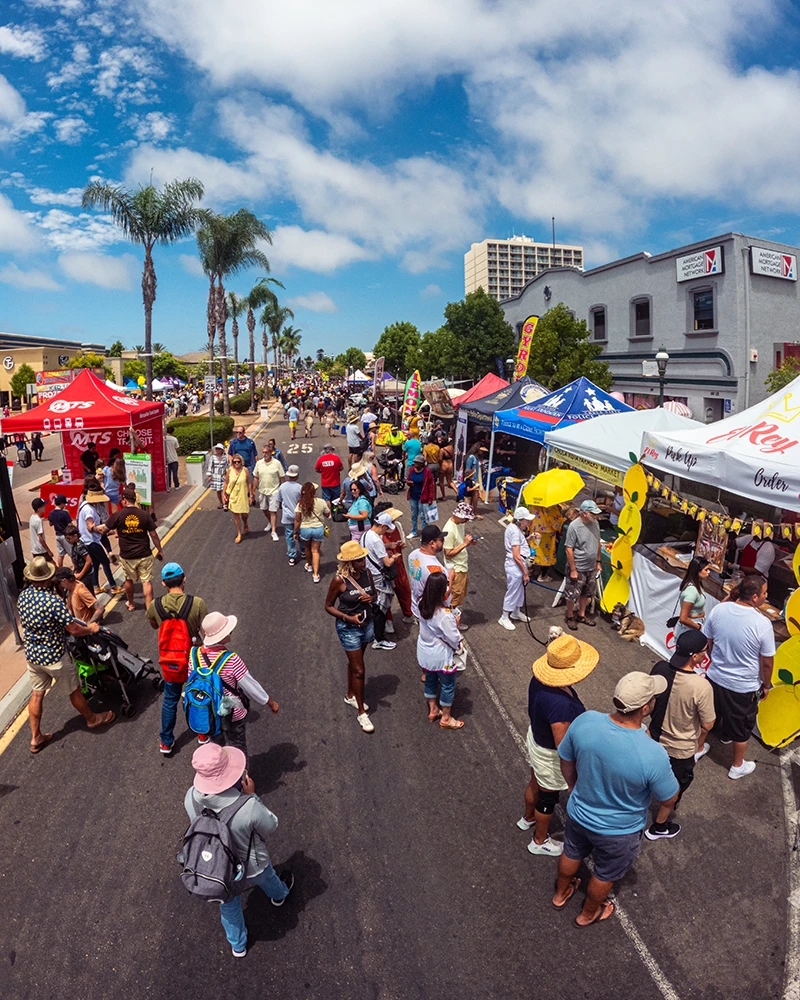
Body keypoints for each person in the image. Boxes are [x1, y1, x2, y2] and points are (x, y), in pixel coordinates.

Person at [553, 672, 679, 926]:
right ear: (645, 708)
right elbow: (669, 797)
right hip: (618, 830)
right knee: (604, 873)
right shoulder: (652, 753)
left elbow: (565, 757)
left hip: (579, 812)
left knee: (571, 851)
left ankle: (560, 893)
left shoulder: (585, 720)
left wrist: (572, 786)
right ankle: (588, 913)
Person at [184, 743, 294, 957]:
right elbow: (271, 825)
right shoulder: (247, 806)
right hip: (252, 864)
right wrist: (252, 796)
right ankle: (279, 895)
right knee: (268, 877)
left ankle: (238, 944)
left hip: (220, 870)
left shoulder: (190, 797)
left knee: (229, 906)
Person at [18, 556, 115, 754]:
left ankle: (36, 737)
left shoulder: (23, 596)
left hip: (33, 655)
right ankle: (92, 719)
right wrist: (91, 628)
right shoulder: (52, 601)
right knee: (74, 690)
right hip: (54, 656)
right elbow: (74, 629)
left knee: (37, 694)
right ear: (48, 578)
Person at [518, 634, 596, 857]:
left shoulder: (539, 680)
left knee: (535, 781)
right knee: (548, 798)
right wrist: (572, 780)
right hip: (550, 753)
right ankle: (539, 840)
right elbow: (563, 747)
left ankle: (528, 818)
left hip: (536, 738)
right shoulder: (560, 704)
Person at [703, 573, 775, 779]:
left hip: (715, 677)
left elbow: (709, 641)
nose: (766, 596)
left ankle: (698, 747)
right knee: (742, 727)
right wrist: (766, 684)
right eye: (764, 593)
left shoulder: (719, 609)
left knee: (708, 715)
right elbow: (767, 662)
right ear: (754, 597)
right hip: (742, 686)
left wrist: (716, 660)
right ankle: (737, 765)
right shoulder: (762, 624)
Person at [646, 629, 715, 839]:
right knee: (673, 790)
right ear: (695, 656)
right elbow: (708, 724)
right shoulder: (701, 686)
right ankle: (659, 827)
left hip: (653, 738)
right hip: (680, 749)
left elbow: (648, 702)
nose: (706, 653)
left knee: (647, 778)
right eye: (705, 650)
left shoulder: (659, 668)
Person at [192, 611, 278, 754]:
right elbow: (251, 687)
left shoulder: (194, 655)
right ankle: (241, 775)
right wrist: (270, 702)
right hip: (232, 713)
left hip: (208, 712)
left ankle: (221, 772)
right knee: (237, 748)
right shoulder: (231, 659)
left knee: (217, 748)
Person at [146, 561, 209, 755]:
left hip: (170, 660)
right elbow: (206, 632)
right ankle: (201, 734)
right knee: (198, 695)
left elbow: (154, 625)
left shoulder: (155, 605)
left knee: (170, 699)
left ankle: (166, 741)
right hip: (193, 659)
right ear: (184, 580)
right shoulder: (197, 603)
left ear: (163, 583)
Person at [324, 540, 377, 733]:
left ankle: (350, 695)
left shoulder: (367, 573)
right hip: (348, 628)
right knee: (360, 670)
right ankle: (362, 713)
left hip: (367, 624)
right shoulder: (339, 581)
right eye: (359, 560)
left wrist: (371, 598)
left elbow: (375, 595)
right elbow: (328, 606)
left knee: (356, 664)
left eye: (363, 558)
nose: (363, 562)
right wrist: (349, 617)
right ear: (349, 563)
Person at [105, 485, 164, 611]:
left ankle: (131, 604)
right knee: (146, 581)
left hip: (127, 555)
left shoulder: (118, 515)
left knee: (128, 580)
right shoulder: (144, 514)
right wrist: (160, 550)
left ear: (125, 500)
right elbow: (153, 534)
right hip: (144, 553)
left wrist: (93, 528)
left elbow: (105, 529)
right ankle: (149, 608)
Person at [417, 572, 464, 729]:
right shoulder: (444, 615)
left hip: (425, 651)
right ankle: (446, 717)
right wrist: (456, 624)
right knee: (447, 685)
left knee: (430, 679)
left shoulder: (421, 603)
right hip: (440, 655)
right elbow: (453, 638)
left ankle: (433, 709)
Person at [564, 499, 602, 631]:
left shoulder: (595, 524)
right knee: (572, 593)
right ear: (584, 513)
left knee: (586, 592)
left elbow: (598, 543)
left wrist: (598, 562)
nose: (596, 516)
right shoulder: (574, 527)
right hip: (578, 567)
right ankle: (569, 616)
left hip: (591, 566)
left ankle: (581, 614)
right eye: (594, 513)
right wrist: (573, 570)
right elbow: (569, 549)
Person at [364, 511, 400, 651]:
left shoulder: (366, 534)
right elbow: (388, 563)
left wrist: (387, 547)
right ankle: (379, 638)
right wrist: (394, 557)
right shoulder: (376, 540)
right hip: (378, 576)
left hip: (369, 575)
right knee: (381, 607)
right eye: (386, 528)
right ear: (383, 526)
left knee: (374, 606)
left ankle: (373, 632)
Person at [376, 504, 414, 626]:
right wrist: (388, 546)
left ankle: (408, 614)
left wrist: (401, 545)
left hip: (399, 564)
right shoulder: (378, 533)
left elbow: (403, 541)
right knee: (386, 595)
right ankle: (388, 620)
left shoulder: (398, 526)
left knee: (404, 590)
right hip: (385, 568)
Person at [442, 501, 477, 630]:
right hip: (455, 569)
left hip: (462, 566)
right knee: (454, 598)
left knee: (459, 595)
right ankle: (451, 625)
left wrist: (469, 542)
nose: (467, 521)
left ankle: (454, 621)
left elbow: (459, 542)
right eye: (466, 518)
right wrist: (465, 544)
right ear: (460, 516)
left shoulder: (459, 524)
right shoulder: (449, 530)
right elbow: (448, 554)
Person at [498, 507, 534, 631]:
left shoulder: (514, 529)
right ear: (520, 520)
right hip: (515, 565)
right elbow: (516, 555)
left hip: (517, 564)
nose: (529, 523)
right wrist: (525, 573)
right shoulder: (514, 531)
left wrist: (529, 539)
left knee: (519, 589)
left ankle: (516, 611)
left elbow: (518, 545)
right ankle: (504, 616)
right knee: (513, 590)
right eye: (527, 520)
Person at [78, 481, 117, 594]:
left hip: (87, 540)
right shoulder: (89, 510)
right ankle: (113, 586)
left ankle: (95, 587)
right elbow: (90, 526)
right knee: (105, 562)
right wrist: (100, 529)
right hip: (92, 541)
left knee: (95, 563)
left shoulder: (84, 505)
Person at [407, 523, 447, 620]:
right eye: (441, 540)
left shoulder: (413, 554)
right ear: (432, 543)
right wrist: (451, 577)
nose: (443, 542)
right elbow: (443, 594)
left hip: (417, 606)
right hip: (432, 612)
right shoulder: (435, 569)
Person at [293, 482, 330, 583]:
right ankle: (316, 574)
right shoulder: (321, 502)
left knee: (307, 548)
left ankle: (309, 565)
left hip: (305, 529)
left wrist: (295, 532)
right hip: (318, 528)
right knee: (316, 550)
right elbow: (327, 514)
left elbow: (297, 520)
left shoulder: (300, 504)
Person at [253, 444, 285, 540]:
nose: (264, 454)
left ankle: (274, 531)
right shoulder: (259, 463)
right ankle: (270, 522)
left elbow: (282, 478)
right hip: (262, 491)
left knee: (273, 511)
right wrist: (253, 491)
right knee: (264, 509)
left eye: (266, 452)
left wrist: (283, 492)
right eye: (263, 452)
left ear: (271, 453)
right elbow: (256, 477)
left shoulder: (277, 463)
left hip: (274, 491)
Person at [674, 557, 711, 637]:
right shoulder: (692, 592)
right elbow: (683, 618)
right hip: (689, 628)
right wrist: (698, 627)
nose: (709, 572)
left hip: (694, 624)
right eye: (706, 570)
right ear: (697, 571)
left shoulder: (698, 584)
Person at [528, 504, 565, 582]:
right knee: (546, 555)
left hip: (534, 528)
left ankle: (530, 570)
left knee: (534, 551)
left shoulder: (533, 501)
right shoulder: (550, 505)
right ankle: (542, 575)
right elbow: (554, 520)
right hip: (546, 533)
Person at [276, 465, 305, 565]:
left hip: (287, 516)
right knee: (300, 533)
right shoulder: (300, 488)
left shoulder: (282, 487)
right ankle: (303, 551)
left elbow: (279, 501)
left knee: (289, 535)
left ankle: (292, 556)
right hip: (298, 516)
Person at [223, 454, 254, 544]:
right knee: (236, 515)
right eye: (234, 462)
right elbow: (226, 482)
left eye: (238, 461)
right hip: (233, 496)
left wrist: (250, 495)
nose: (236, 463)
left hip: (243, 495)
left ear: (241, 462)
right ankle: (239, 533)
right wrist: (224, 494)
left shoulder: (245, 470)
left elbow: (249, 483)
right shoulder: (229, 470)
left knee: (244, 514)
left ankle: (245, 522)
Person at [48, 495, 73, 568]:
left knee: (60, 554)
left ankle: (60, 568)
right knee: (72, 554)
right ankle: (75, 568)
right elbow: (70, 525)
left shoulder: (52, 512)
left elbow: (50, 523)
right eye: (64, 504)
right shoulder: (64, 513)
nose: (65, 505)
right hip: (66, 536)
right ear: (61, 503)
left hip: (57, 536)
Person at [463, 444, 487, 519]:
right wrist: (470, 480)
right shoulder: (471, 457)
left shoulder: (477, 457)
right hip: (473, 479)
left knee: (475, 496)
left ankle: (472, 512)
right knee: (474, 496)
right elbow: (468, 470)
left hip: (477, 478)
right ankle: (474, 512)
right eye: (481, 450)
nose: (482, 452)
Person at [208, 442, 230, 510]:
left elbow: (228, 466)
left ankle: (225, 502)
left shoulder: (225, 457)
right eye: (216, 449)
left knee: (225, 490)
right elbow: (210, 466)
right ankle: (221, 503)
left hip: (223, 475)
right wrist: (209, 475)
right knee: (218, 490)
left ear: (222, 450)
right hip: (216, 475)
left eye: (219, 449)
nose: (217, 450)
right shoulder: (213, 457)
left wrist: (229, 475)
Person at [437, 437, 457, 501]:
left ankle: (443, 496)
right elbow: (453, 456)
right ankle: (458, 493)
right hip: (450, 464)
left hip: (443, 465)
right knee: (450, 481)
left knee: (441, 482)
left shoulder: (442, 450)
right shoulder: (451, 447)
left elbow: (440, 459)